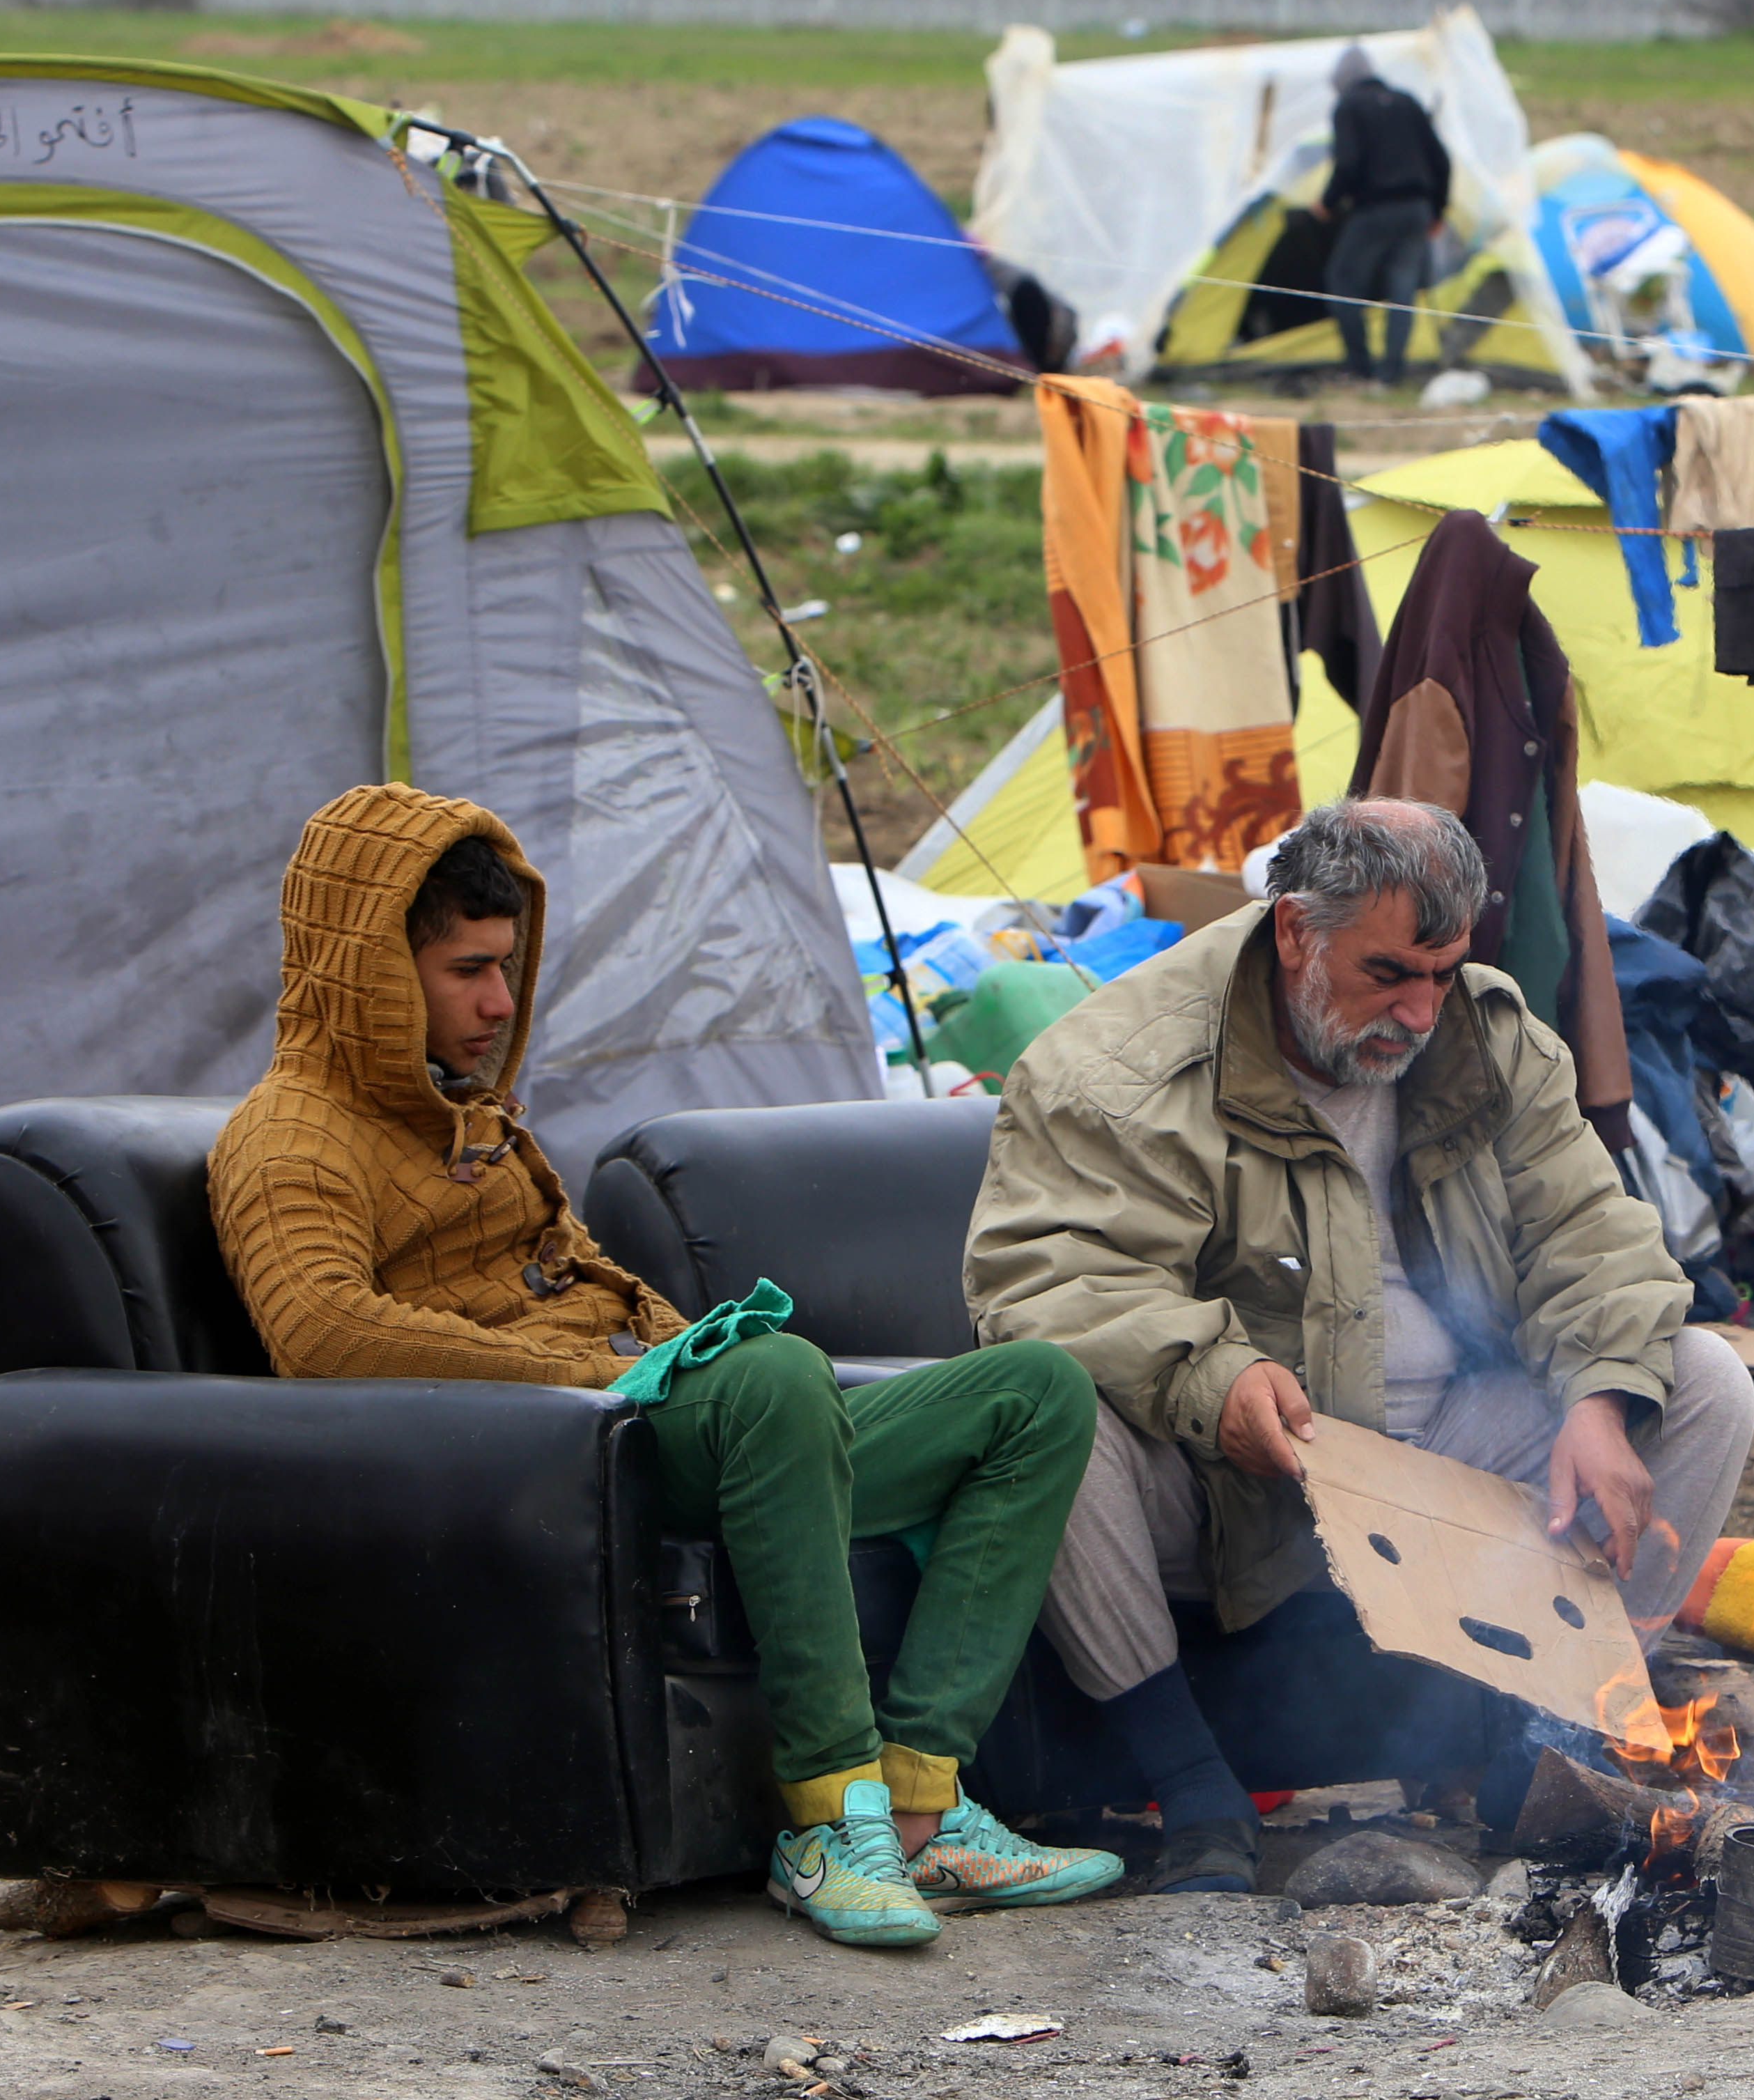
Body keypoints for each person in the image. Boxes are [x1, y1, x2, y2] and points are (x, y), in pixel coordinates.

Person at [208, 782, 1118, 1950]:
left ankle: (922, 1803)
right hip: (551, 1459)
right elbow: (318, 1331)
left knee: (1034, 1388)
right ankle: (824, 1816)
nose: (498, 1002)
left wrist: (676, 1351)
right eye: (465, 971)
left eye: (506, 966)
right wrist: (599, 1373)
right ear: (370, 968)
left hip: (648, 1427)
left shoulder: (470, 1116)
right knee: (777, 1372)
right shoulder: (288, 1134)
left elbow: (589, 1281)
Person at [965, 798, 1754, 1893]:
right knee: (1052, 1416)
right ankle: (1195, 1791)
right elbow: (1046, 1280)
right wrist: (1215, 1378)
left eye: (1443, 972)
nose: (1422, 1009)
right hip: (1231, 1470)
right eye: (1388, 974)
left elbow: (1595, 1234)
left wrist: (1602, 1397)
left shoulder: (1487, 1032)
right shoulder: (1123, 1065)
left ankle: (1553, 1755)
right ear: (1295, 931)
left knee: (1704, 1381)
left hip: (1441, 1447)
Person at [1317, 45, 1452, 387]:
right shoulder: (1407, 102)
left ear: (1343, 82)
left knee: (1343, 282)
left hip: (1375, 210)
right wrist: (1437, 211)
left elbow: (1347, 164)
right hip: (1416, 212)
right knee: (1402, 291)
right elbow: (1441, 160)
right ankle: (1391, 374)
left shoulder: (1348, 107)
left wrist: (1327, 203)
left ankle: (1359, 367)